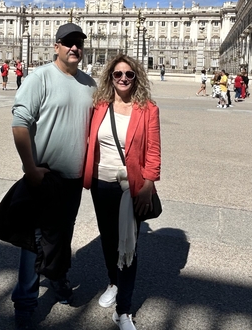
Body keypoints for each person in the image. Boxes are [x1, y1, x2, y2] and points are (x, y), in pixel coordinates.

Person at [10, 23, 96, 329]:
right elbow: (20, 123)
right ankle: (25, 302)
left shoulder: (89, 84)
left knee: (62, 234)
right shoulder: (40, 78)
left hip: (73, 179)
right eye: (69, 43)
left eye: (79, 43)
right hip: (44, 175)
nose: (75, 48)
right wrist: (29, 168)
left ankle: (58, 277)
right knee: (34, 241)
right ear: (56, 46)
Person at [83, 54, 161, 330]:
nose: (124, 78)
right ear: (110, 78)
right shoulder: (99, 106)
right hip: (101, 184)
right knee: (108, 240)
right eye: (118, 74)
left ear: (136, 77)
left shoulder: (148, 108)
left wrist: (148, 185)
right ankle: (114, 282)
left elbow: (153, 150)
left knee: (129, 246)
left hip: (131, 187)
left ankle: (124, 310)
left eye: (129, 74)